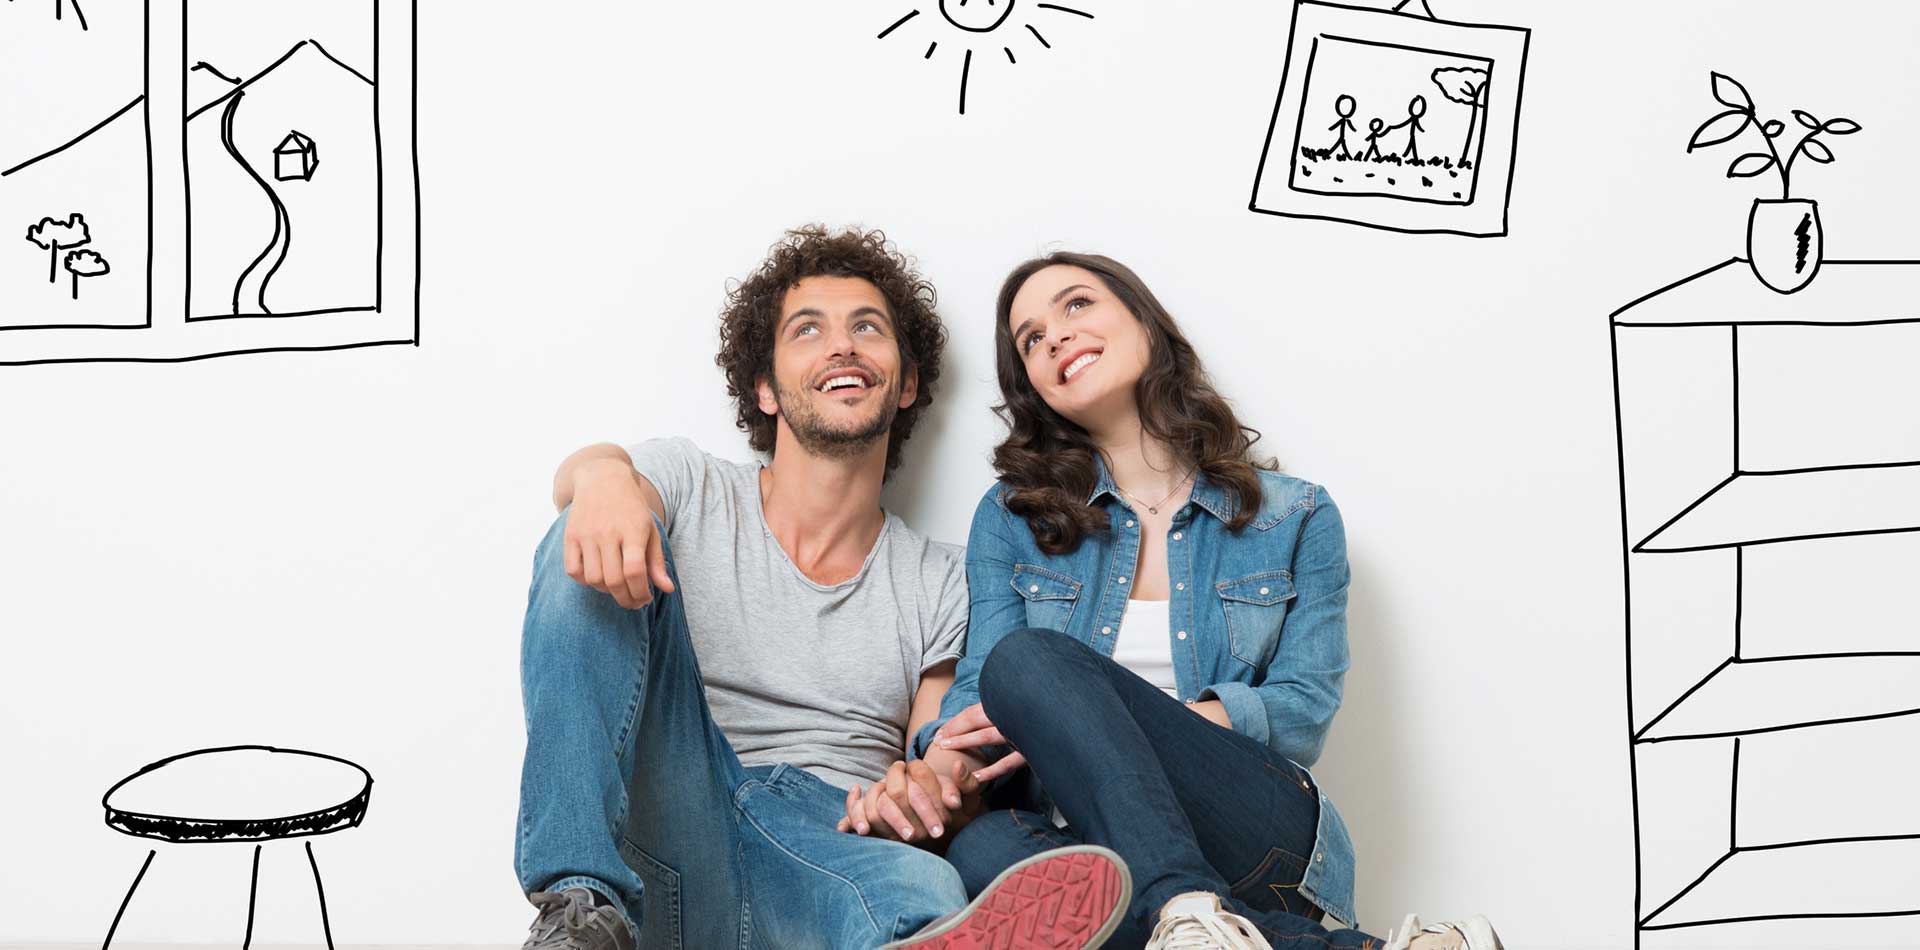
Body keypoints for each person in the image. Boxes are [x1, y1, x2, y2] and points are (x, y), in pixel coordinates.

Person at [839, 252, 1503, 950]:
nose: (1056, 337)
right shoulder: (1012, 518)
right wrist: (934, 773)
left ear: (1147, 324)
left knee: (1030, 660)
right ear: (1032, 385)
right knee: (981, 851)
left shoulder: (1297, 516)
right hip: (1080, 844)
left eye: (1076, 305)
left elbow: (1302, 709)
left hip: (1257, 832)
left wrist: (1122, 727)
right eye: (1031, 339)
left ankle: (1181, 903)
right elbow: (980, 694)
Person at [515, 226, 1129, 950]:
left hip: (827, 857)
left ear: (904, 384)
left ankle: (919, 937)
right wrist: (600, 475)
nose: (842, 346)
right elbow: (588, 489)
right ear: (767, 388)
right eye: (809, 330)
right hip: (667, 842)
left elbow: (937, 757)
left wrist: (931, 791)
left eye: (867, 328)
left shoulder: (942, 580)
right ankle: (575, 909)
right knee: (585, 537)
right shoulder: (692, 485)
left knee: (925, 886)